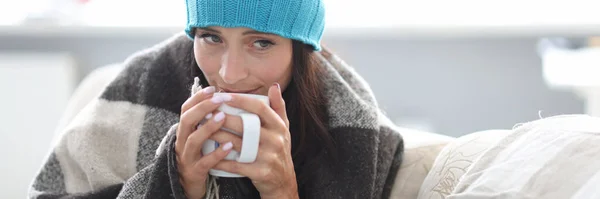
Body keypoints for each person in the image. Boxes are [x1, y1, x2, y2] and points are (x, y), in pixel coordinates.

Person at [29, 0, 404, 198]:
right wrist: (175, 182)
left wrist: (282, 192)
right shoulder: (145, 84)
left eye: (261, 42)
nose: (229, 73)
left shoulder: (349, 120)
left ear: (299, 49)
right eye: (211, 37)